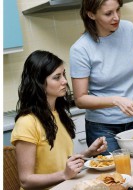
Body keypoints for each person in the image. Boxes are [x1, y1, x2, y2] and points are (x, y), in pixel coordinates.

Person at [69, 0, 133, 153]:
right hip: (102, 128)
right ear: (91, 14)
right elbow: (80, 99)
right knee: (113, 176)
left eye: (118, 10)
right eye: (108, 13)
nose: (116, 17)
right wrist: (116, 100)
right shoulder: (80, 49)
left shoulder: (129, 29)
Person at [11, 50, 107, 190]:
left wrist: (88, 153)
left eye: (63, 74)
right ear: (39, 82)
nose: (65, 81)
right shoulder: (27, 122)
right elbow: (26, 180)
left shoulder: (58, 113)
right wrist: (64, 174)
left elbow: (59, 162)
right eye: (57, 77)